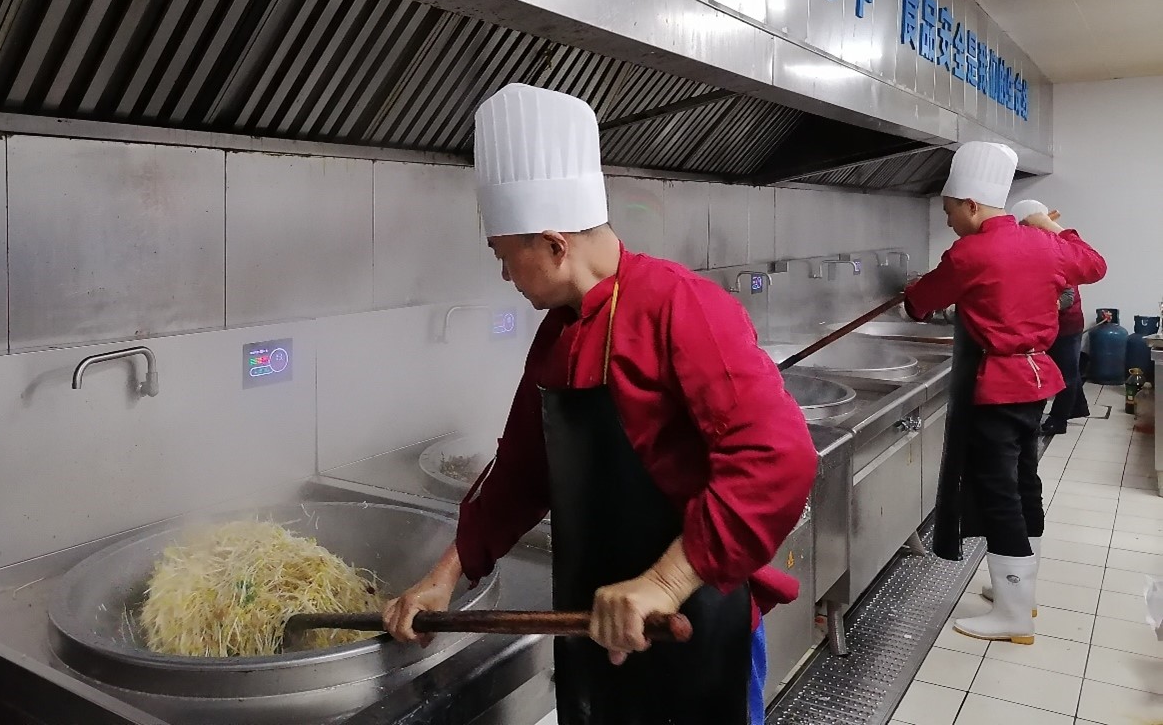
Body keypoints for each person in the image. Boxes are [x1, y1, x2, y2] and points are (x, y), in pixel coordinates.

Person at [382, 84, 818, 725]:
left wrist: (663, 584)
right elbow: (520, 473)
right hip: (595, 632)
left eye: (505, 256)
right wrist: (448, 573)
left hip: (694, 630)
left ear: (554, 245)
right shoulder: (556, 336)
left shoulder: (682, 307)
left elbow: (780, 458)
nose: (504, 275)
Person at [905, 142, 1106, 645]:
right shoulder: (1044, 246)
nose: (948, 220)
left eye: (950, 210)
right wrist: (1045, 225)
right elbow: (1095, 263)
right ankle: (1019, 593)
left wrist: (910, 292)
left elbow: (920, 302)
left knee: (998, 491)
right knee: (1023, 479)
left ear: (971, 205)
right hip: (1036, 381)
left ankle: (1014, 616)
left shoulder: (969, 253)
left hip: (997, 386)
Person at [1008, 203, 1093, 436]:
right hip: (1047, 325)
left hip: (1067, 325)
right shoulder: (1032, 249)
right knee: (1065, 370)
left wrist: (1040, 306)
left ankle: (1058, 420)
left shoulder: (1056, 248)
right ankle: (1077, 407)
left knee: (1067, 374)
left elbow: (1067, 295)